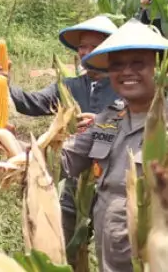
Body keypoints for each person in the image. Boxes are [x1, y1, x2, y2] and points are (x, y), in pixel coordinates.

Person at [0, 14, 118, 260]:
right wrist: (4, 84)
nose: (87, 51)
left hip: (112, 184)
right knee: (64, 250)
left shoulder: (124, 85)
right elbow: (32, 103)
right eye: (82, 46)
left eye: (95, 46)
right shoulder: (68, 86)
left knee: (112, 257)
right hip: (73, 178)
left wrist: (102, 124)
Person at [64, 19, 168, 272]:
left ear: (160, 68)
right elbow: (68, 159)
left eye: (138, 63)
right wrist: (21, 151)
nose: (126, 72)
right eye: (117, 65)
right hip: (110, 251)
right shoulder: (109, 117)